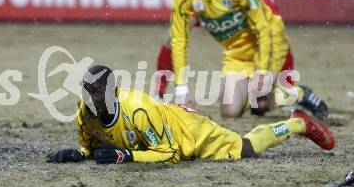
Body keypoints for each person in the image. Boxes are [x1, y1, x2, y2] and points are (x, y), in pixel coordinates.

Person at [46, 65, 334, 164]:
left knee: (246, 149)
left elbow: (170, 153)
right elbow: (90, 143)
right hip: (163, 127)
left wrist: (127, 156)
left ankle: (297, 123)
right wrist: (80, 154)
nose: (90, 97)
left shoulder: (139, 110)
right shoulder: (83, 108)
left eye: (97, 91)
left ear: (113, 91)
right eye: (86, 90)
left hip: (188, 130)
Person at [156, 0, 327, 119]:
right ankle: (160, 92)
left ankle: (287, 88)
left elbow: (265, 29)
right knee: (173, 35)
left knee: (269, 28)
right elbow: (180, 41)